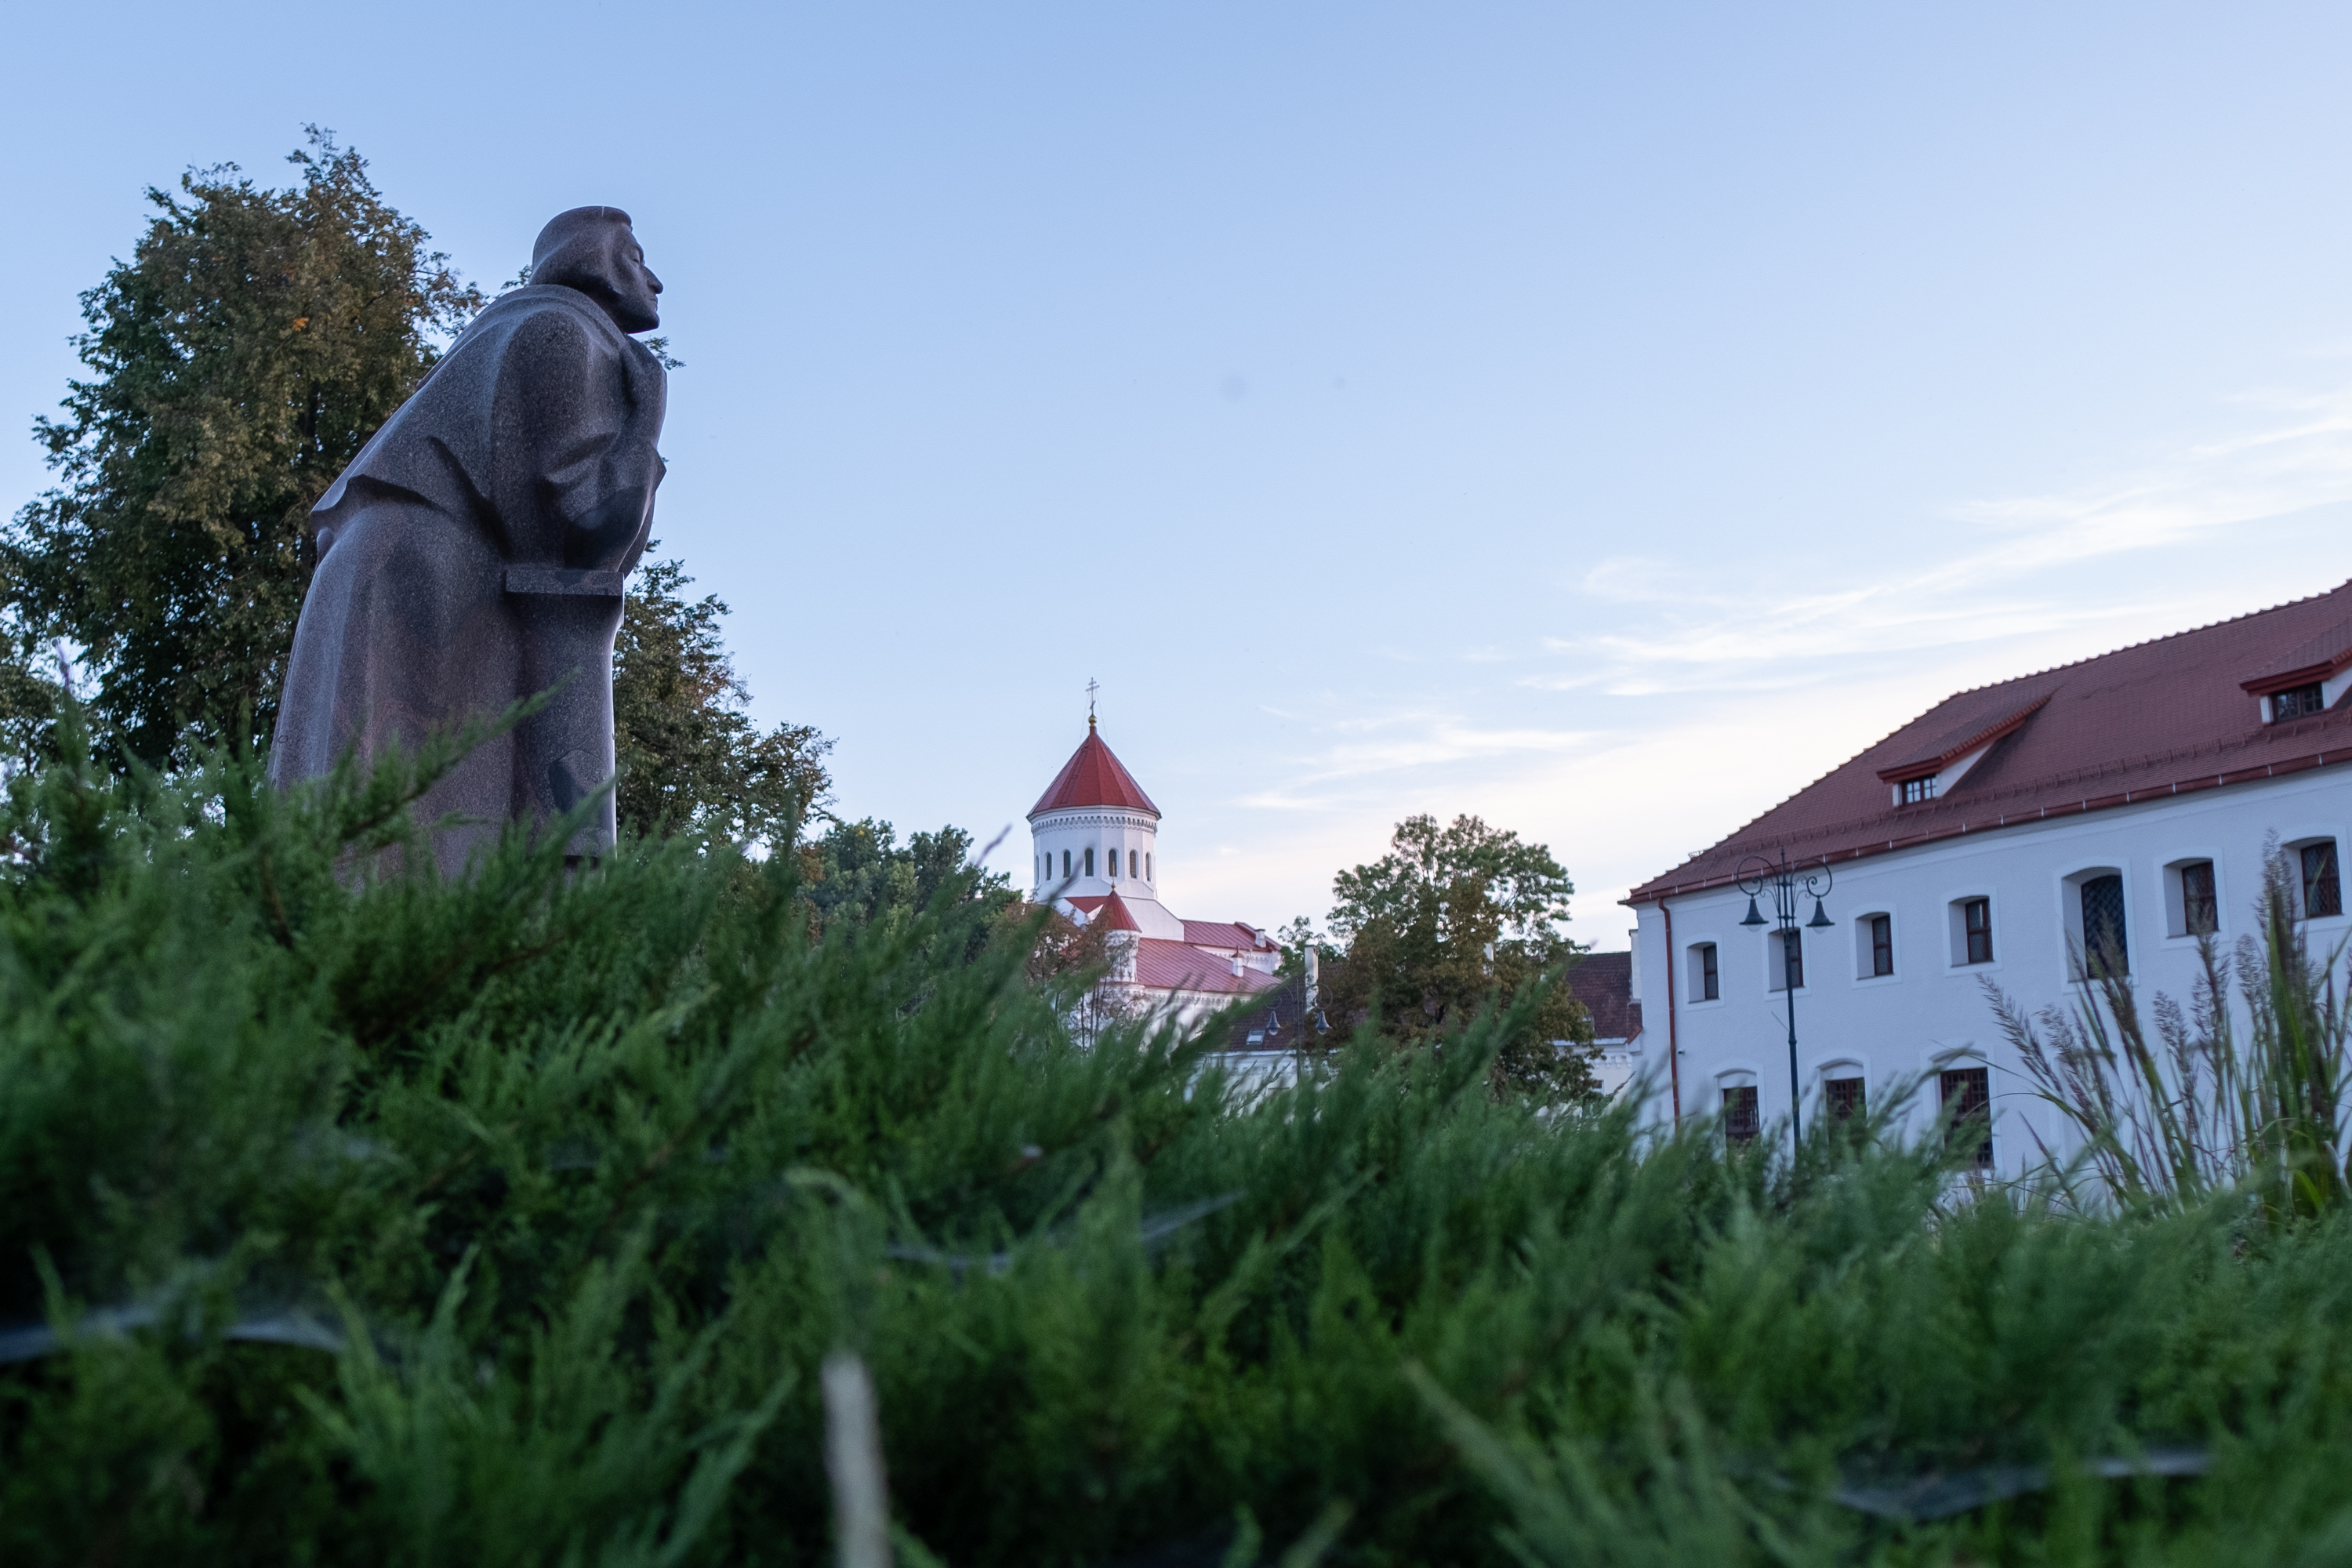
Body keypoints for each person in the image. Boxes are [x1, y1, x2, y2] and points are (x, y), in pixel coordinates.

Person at [270, 206, 668, 869]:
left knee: (376, 832)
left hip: (407, 563)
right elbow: (576, 530)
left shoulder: (529, 331)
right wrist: (645, 421)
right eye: (636, 257)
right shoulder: (562, 333)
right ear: (593, 260)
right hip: (431, 577)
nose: (654, 280)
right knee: (418, 847)